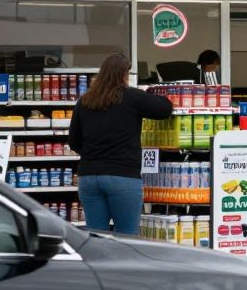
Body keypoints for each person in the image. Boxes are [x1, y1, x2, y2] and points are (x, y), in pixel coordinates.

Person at [69, 53, 173, 235]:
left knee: (96, 238)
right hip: (122, 176)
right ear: (124, 74)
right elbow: (164, 109)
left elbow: (74, 142)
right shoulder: (132, 97)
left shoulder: (85, 101)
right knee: (127, 238)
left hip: (89, 177)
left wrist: (94, 156)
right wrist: (162, 94)